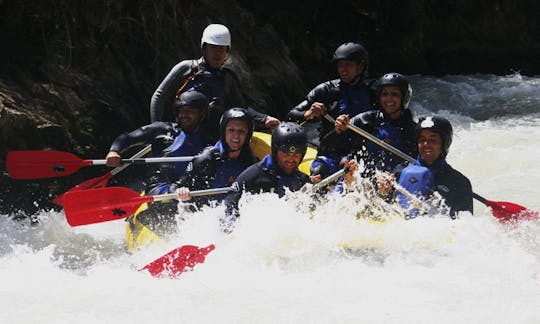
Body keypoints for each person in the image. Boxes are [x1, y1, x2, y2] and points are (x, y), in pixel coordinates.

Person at [149, 23, 279, 141]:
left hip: (213, 140)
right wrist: (156, 129)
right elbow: (159, 96)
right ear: (204, 48)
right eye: (213, 48)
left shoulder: (227, 78)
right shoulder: (186, 69)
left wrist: (264, 119)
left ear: (227, 51)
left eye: (222, 49)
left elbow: (241, 108)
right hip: (182, 136)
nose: (217, 53)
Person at [221, 122, 357, 233]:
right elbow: (228, 206)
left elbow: (325, 209)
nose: (291, 159)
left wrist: (346, 183)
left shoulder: (302, 179)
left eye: (296, 154)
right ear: (275, 151)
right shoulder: (254, 175)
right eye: (285, 153)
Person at [313, 73, 417, 180]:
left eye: (394, 94)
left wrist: (396, 175)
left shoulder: (412, 128)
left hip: (393, 181)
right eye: (384, 94)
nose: (388, 99)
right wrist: (338, 130)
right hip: (362, 179)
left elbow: (416, 162)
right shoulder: (366, 120)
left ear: (404, 97)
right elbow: (327, 146)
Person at [106, 90, 213, 190]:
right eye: (181, 111)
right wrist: (114, 151)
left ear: (202, 115)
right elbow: (128, 138)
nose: (184, 115)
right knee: (175, 192)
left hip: (190, 190)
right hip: (159, 187)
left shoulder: (208, 139)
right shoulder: (162, 130)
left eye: (190, 111)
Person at [377, 116, 473, 218]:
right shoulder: (400, 171)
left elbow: (465, 226)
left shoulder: (460, 182)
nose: (426, 144)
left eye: (433, 139)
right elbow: (383, 211)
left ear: (444, 143)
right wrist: (383, 192)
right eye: (422, 139)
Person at [287, 42, 375, 145]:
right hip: (332, 150)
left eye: (348, 65)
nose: (343, 70)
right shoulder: (325, 90)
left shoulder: (375, 91)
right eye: (340, 65)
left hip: (365, 149)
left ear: (360, 67)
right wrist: (308, 114)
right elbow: (290, 118)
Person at [171, 107, 257, 208]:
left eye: (241, 131)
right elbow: (176, 186)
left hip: (232, 213)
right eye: (231, 130)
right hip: (207, 214)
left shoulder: (249, 159)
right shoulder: (208, 158)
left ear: (248, 134)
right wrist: (180, 191)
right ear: (223, 132)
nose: (236, 136)